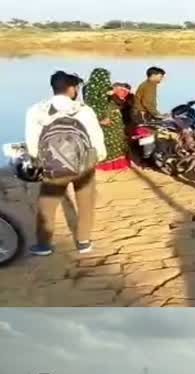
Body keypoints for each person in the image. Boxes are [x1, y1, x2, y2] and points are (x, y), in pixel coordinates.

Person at [25, 71, 107, 256]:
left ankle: (44, 245)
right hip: (83, 164)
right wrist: (97, 158)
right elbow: (96, 138)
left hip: (52, 166)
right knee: (85, 202)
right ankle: (84, 242)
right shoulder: (83, 110)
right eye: (76, 87)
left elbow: (32, 142)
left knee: (47, 204)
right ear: (71, 88)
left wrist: (38, 161)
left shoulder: (37, 110)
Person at [83, 68, 130, 172]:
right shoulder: (106, 90)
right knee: (113, 142)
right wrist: (103, 117)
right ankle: (112, 165)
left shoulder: (88, 89)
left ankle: (102, 164)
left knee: (101, 142)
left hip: (95, 119)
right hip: (108, 119)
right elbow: (119, 102)